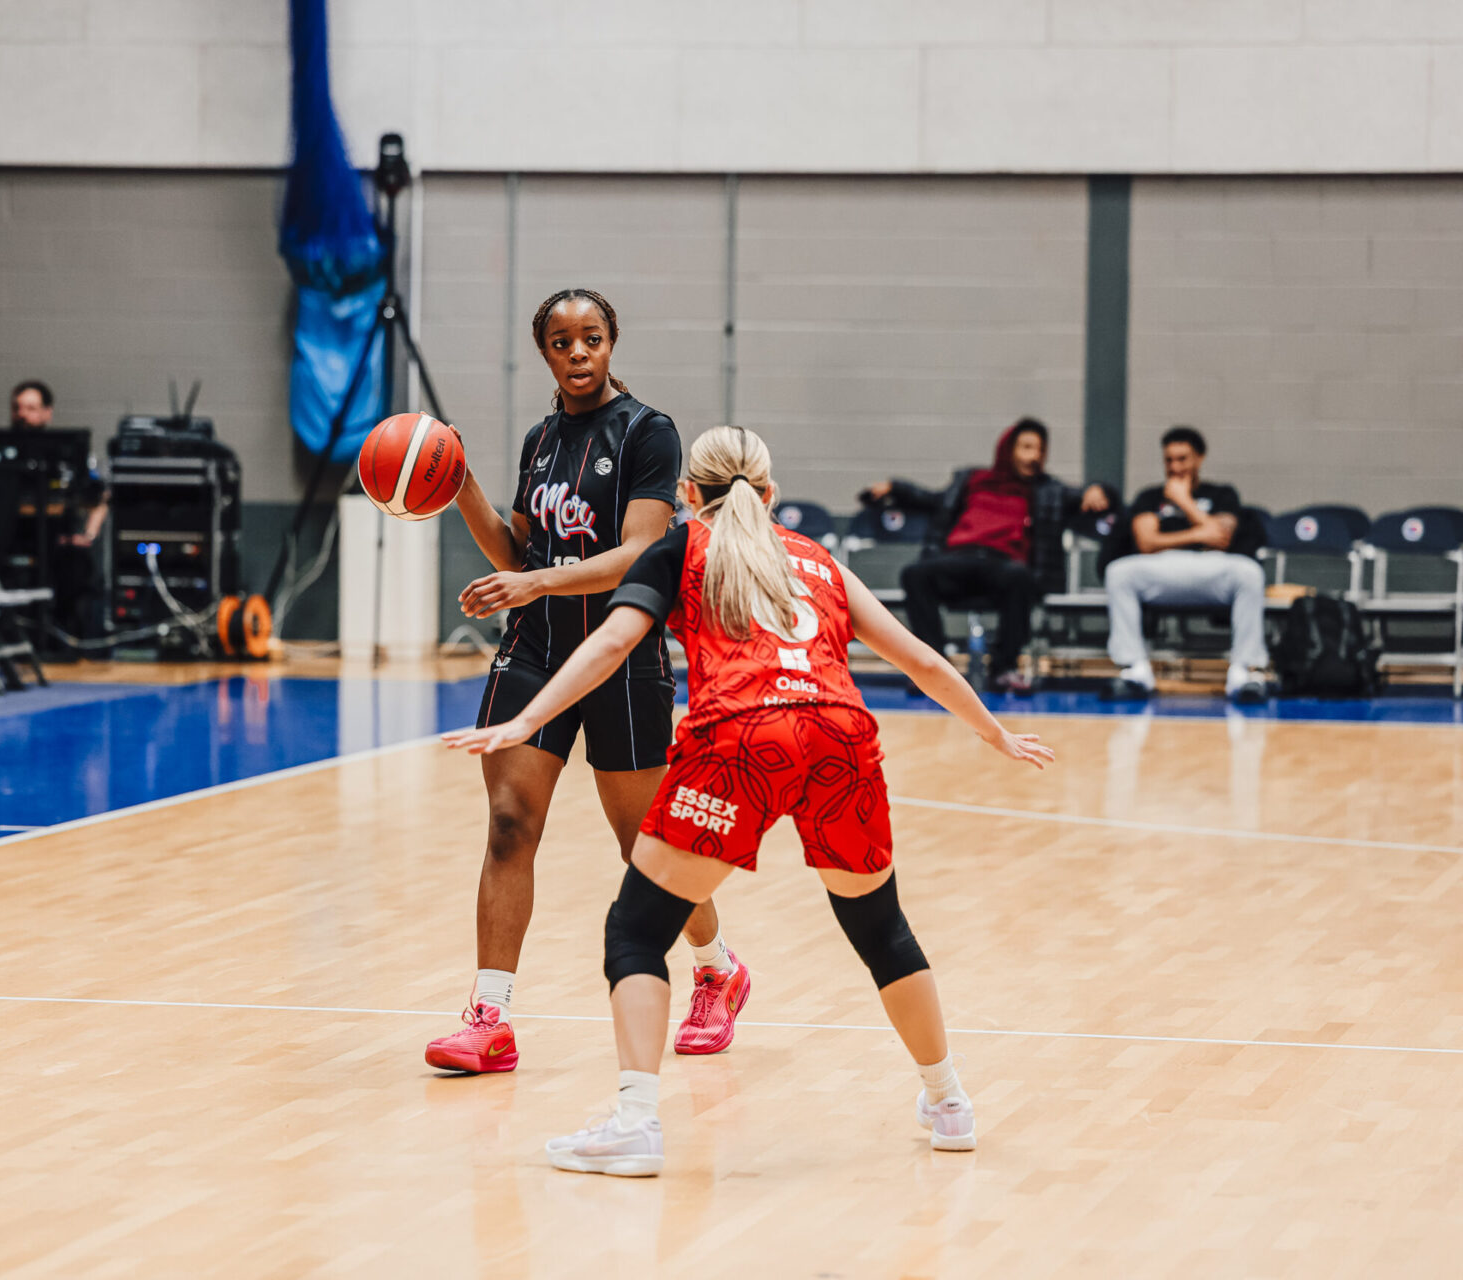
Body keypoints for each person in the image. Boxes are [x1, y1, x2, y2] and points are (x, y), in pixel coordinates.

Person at [446, 425, 1054, 1176]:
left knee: (636, 931)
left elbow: (608, 644)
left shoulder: (681, 546)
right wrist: (994, 733)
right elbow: (920, 657)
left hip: (743, 739)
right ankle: (951, 1100)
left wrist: (527, 719)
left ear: (685, 497)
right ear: (771, 493)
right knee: (880, 928)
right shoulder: (818, 557)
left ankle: (637, 1121)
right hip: (840, 737)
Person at [424, 288, 749, 1074]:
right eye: (562, 342)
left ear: (611, 343)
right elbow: (517, 552)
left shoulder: (648, 432)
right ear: (545, 353)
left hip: (620, 652)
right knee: (508, 823)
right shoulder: (540, 441)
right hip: (534, 651)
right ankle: (489, 1017)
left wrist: (534, 582)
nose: (578, 353)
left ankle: (717, 968)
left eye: (591, 338)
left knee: (649, 848)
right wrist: (460, 482)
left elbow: (639, 556)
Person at [861, 418, 1110, 694]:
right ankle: (936, 668)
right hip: (959, 557)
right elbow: (931, 499)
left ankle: (1003, 669)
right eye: (1027, 447)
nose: (1035, 456)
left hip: (1003, 564)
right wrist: (895, 488)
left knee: (1021, 577)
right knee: (915, 574)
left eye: (1040, 450)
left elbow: (1096, 498)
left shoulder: (1049, 491)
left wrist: (1099, 490)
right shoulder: (972, 480)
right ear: (1008, 449)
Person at [1100, 426, 1271, 704]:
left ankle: (1244, 672)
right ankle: (1135, 670)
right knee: (1119, 572)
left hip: (1212, 567)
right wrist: (1200, 533)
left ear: (1199, 459)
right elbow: (1146, 542)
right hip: (1161, 568)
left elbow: (1223, 538)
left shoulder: (1221, 493)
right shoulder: (1150, 497)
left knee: (1249, 572)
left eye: (1183, 459)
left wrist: (1184, 501)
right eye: (1169, 460)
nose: (1175, 467)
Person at [12, 377, 107, 647]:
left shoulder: (67, 453)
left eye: (30, 409)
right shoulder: (2, 452)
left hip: (60, 540)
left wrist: (88, 534)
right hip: (15, 538)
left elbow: (100, 498)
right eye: (18, 408)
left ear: (46, 412)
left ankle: (64, 637)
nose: (22, 415)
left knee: (75, 567)